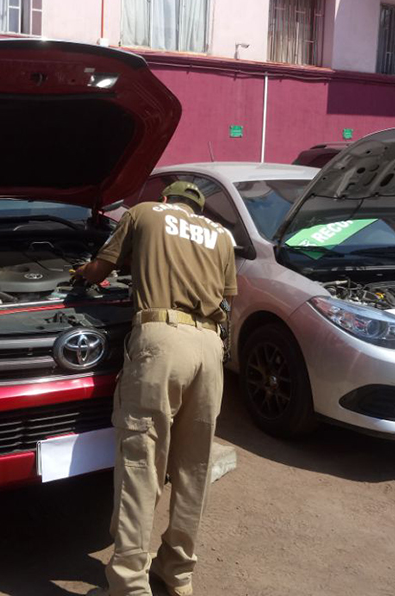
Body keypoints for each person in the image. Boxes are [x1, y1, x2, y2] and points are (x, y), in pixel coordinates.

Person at [78, 181, 237, 596]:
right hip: (209, 348)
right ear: (200, 208)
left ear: (167, 199)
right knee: (193, 467)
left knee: (142, 461)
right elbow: (225, 301)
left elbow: (101, 268)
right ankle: (177, 572)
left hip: (161, 341)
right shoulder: (221, 235)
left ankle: (130, 585)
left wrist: (82, 274)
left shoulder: (145, 211)